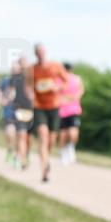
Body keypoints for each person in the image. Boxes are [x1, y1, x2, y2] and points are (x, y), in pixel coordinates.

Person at [26, 44, 67, 182]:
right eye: (38, 52)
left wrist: (58, 87)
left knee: (51, 140)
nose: (40, 54)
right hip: (39, 107)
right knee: (43, 137)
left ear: (45, 52)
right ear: (35, 54)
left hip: (54, 106)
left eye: (42, 52)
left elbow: (66, 81)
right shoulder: (31, 69)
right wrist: (30, 94)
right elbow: (27, 86)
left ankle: (47, 159)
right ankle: (44, 171)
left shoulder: (55, 66)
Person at [57, 63, 84, 165]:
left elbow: (79, 93)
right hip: (61, 111)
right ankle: (63, 153)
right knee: (63, 135)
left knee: (73, 133)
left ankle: (71, 148)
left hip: (74, 110)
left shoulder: (77, 79)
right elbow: (57, 95)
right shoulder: (58, 80)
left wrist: (69, 98)